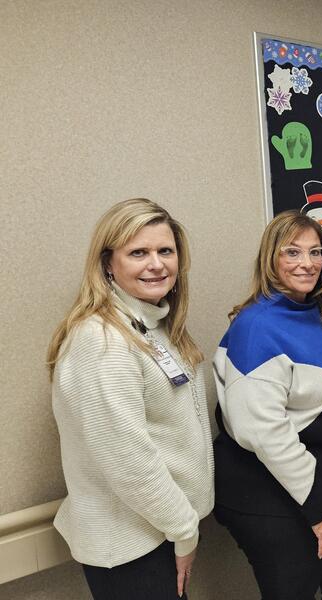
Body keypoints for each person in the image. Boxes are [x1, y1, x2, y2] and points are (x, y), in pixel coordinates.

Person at [47, 198, 213, 599]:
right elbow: (127, 459)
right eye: (138, 252)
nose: (156, 264)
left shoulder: (152, 324)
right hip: (130, 544)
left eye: (165, 251)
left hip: (157, 531)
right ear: (107, 263)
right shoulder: (101, 339)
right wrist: (184, 531)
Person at [213, 210, 322, 600]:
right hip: (281, 496)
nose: (308, 263)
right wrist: (318, 509)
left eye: (316, 252)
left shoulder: (319, 317)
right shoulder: (256, 326)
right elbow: (263, 430)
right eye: (293, 252)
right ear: (271, 258)